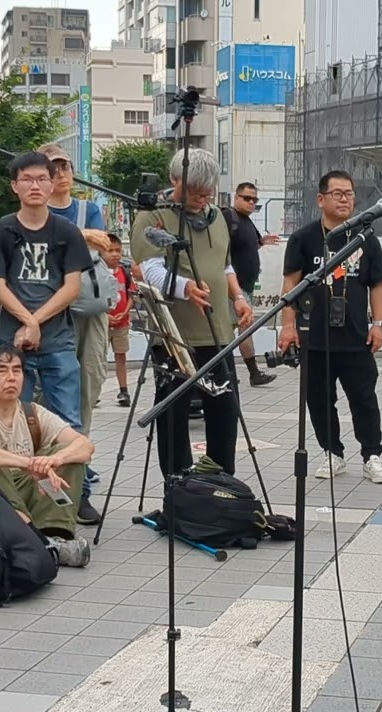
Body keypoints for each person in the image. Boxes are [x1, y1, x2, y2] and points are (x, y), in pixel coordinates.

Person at [0, 151, 101, 524]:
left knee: (68, 420)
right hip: (10, 343)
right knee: (11, 418)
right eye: (27, 179)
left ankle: (74, 496)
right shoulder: (0, 231)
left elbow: (71, 287)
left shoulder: (65, 232)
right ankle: (21, 495)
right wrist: (26, 322)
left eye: (42, 179)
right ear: (14, 186)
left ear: (53, 184)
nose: (35, 186)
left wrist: (34, 322)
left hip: (58, 340)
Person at [130, 148, 252, 476]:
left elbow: (223, 265)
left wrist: (238, 297)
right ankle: (178, 489)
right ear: (174, 180)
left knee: (225, 411)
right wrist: (185, 288)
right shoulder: (152, 216)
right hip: (174, 336)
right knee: (173, 415)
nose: (202, 199)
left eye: (207, 192)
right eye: (194, 192)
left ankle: (221, 483)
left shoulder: (218, 217)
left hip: (218, 331)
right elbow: (150, 269)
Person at [278, 170, 382, 484]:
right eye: (337, 193)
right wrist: (287, 327)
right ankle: (332, 453)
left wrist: (378, 324)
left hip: (356, 337)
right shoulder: (304, 238)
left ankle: (372, 456)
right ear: (321, 199)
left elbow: (377, 285)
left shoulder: (365, 238)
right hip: (314, 337)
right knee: (318, 400)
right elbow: (290, 284)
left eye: (349, 193)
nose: (344, 199)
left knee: (364, 399)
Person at [0, 343, 93, 567]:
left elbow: (84, 445)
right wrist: (27, 463)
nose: (11, 378)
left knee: (69, 456)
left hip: (24, 493)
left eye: (17, 371)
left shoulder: (33, 413)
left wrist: (53, 461)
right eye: (2, 370)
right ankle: (38, 542)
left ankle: (52, 537)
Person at [39, 143, 109, 499]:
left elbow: (103, 247)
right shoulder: (35, 212)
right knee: (51, 386)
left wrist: (68, 238)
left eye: (64, 166)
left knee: (89, 380)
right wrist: (79, 236)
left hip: (90, 307)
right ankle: (55, 452)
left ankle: (80, 450)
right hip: (50, 308)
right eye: (52, 168)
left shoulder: (89, 208)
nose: (60, 174)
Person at [223, 182, 278, 387]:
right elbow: (222, 250)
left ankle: (239, 372)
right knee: (240, 328)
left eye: (254, 200)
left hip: (243, 286)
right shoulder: (229, 217)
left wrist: (263, 242)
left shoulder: (246, 221)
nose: (251, 203)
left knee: (241, 329)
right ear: (235, 198)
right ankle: (247, 372)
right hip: (233, 287)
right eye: (247, 198)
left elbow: (249, 246)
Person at [106, 234, 135, 407]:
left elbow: (132, 294)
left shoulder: (124, 272)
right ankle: (95, 390)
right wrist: (105, 315)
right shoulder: (98, 272)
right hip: (103, 322)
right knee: (98, 358)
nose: (115, 254)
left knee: (121, 355)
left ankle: (123, 389)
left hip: (122, 323)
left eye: (117, 250)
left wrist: (125, 312)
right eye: (110, 250)